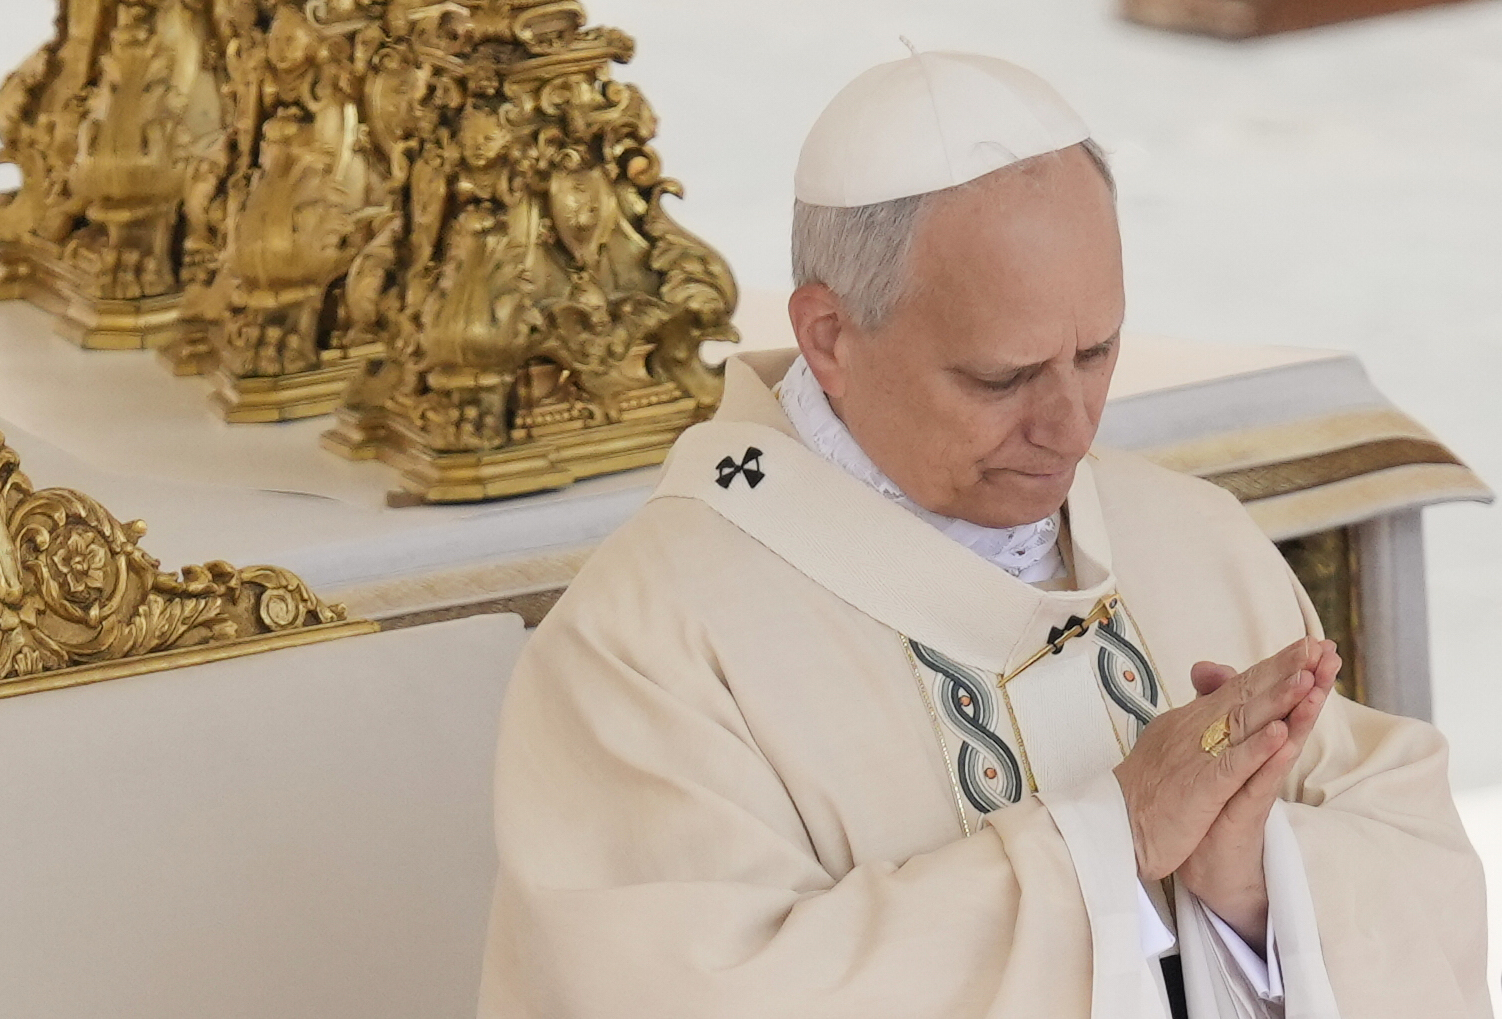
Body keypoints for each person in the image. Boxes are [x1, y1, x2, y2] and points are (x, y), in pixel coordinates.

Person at [478, 51, 1489, 1019]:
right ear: (829, 336)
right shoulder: (647, 647)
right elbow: (698, 992)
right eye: (1002, 378)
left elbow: (1418, 857)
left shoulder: (1191, 539)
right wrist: (1114, 841)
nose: (1070, 428)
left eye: (1095, 353)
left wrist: (1259, 885)